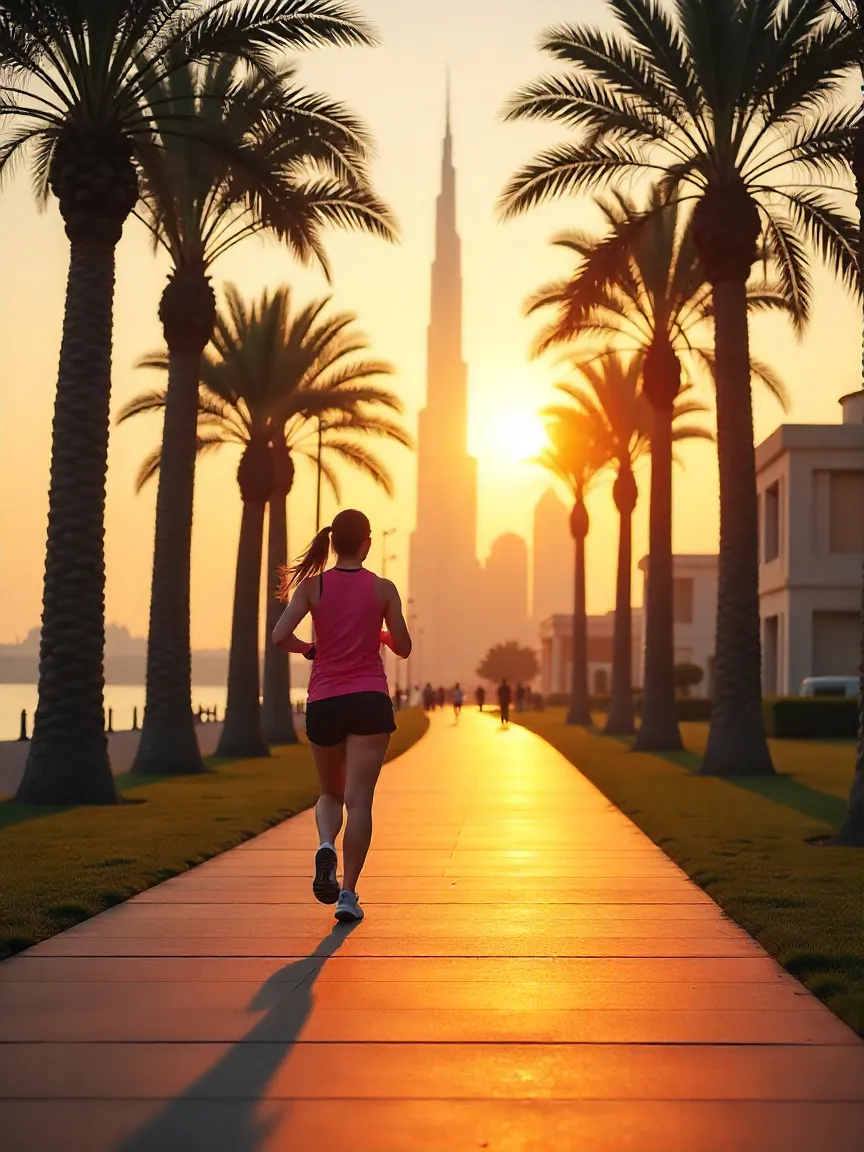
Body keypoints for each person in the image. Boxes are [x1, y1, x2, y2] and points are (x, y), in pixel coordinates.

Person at [272, 509, 412, 924]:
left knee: (330, 794)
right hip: (369, 699)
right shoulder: (384, 589)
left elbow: (281, 636)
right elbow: (403, 647)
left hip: (326, 701)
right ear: (367, 543)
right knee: (360, 801)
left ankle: (325, 844)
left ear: (333, 542)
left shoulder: (313, 587)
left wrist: (310, 649)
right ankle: (348, 894)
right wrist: (382, 633)